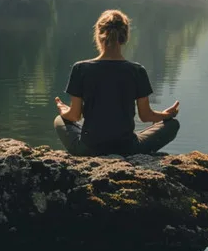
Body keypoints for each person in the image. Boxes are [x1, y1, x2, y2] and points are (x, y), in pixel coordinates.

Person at [54, 9, 180, 156]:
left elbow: (75, 116)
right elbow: (146, 116)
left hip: (88, 149)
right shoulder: (137, 71)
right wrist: (165, 115)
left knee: (59, 120)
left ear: (98, 36)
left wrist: (63, 110)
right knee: (172, 125)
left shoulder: (81, 68)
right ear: (125, 37)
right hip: (128, 150)